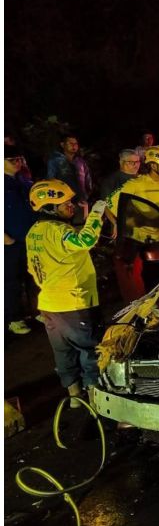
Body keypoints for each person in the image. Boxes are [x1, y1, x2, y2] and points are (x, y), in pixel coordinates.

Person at [26, 179, 107, 407]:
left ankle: (74, 397)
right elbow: (86, 240)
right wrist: (96, 214)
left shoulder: (34, 232)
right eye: (65, 203)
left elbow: (32, 267)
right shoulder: (59, 231)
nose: (71, 206)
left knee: (63, 353)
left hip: (49, 304)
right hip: (74, 302)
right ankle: (95, 399)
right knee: (90, 350)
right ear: (50, 207)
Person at [107, 145, 159, 298]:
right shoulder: (136, 184)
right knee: (151, 290)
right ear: (152, 165)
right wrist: (116, 223)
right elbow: (108, 205)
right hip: (143, 245)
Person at [5, 150, 37, 335]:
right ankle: (14, 319)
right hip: (10, 241)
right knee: (12, 281)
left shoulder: (23, 181)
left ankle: (38, 311)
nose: (17, 163)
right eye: (12, 160)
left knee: (33, 275)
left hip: (30, 238)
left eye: (19, 159)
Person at [47, 133, 90, 223]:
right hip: (64, 205)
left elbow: (88, 181)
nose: (74, 146)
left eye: (76, 143)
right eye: (70, 143)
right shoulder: (55, 161)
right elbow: (51, 182)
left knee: (81, 227)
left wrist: (85, 196)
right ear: (62, 144)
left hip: (80, 203)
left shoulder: (81, 162)